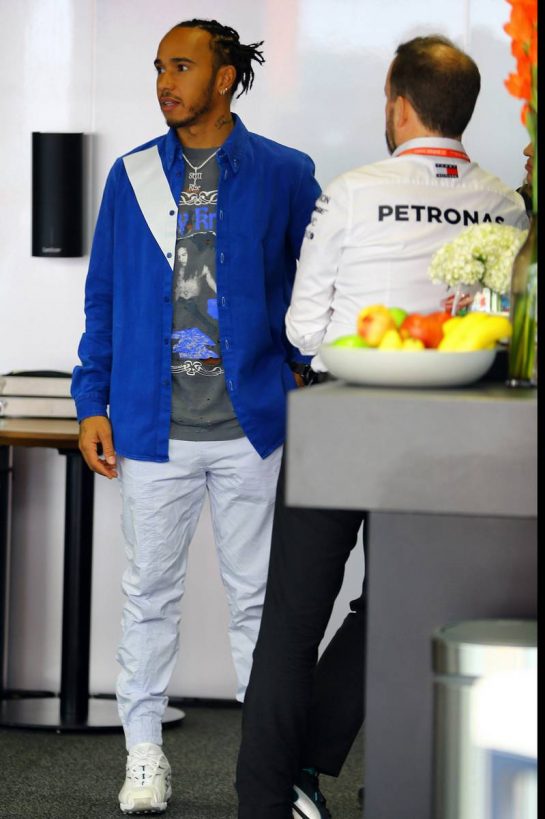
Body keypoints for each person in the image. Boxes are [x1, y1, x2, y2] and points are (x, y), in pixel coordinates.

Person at [236, 34, 529, 819]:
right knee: (396, 602)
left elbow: (302, 330)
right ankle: (308, 769)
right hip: (454, 428)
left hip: (342, 417)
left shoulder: (351, 191)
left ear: (398, 104)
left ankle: (266, 800)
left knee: (291, 621)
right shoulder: (504, 204)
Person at [71, 17, 320, 815]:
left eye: (181, 67)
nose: (164, 83)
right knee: (147, 594)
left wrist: (301, 366)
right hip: (151, 427)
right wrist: (91, 400)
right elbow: (103, 297)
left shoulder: (285, 172)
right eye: (158, 68)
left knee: (260, 603)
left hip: (253, 427)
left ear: (224, 77)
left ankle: (270, 770)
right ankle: (144, 754)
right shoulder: (133, 174)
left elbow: (316, 282)